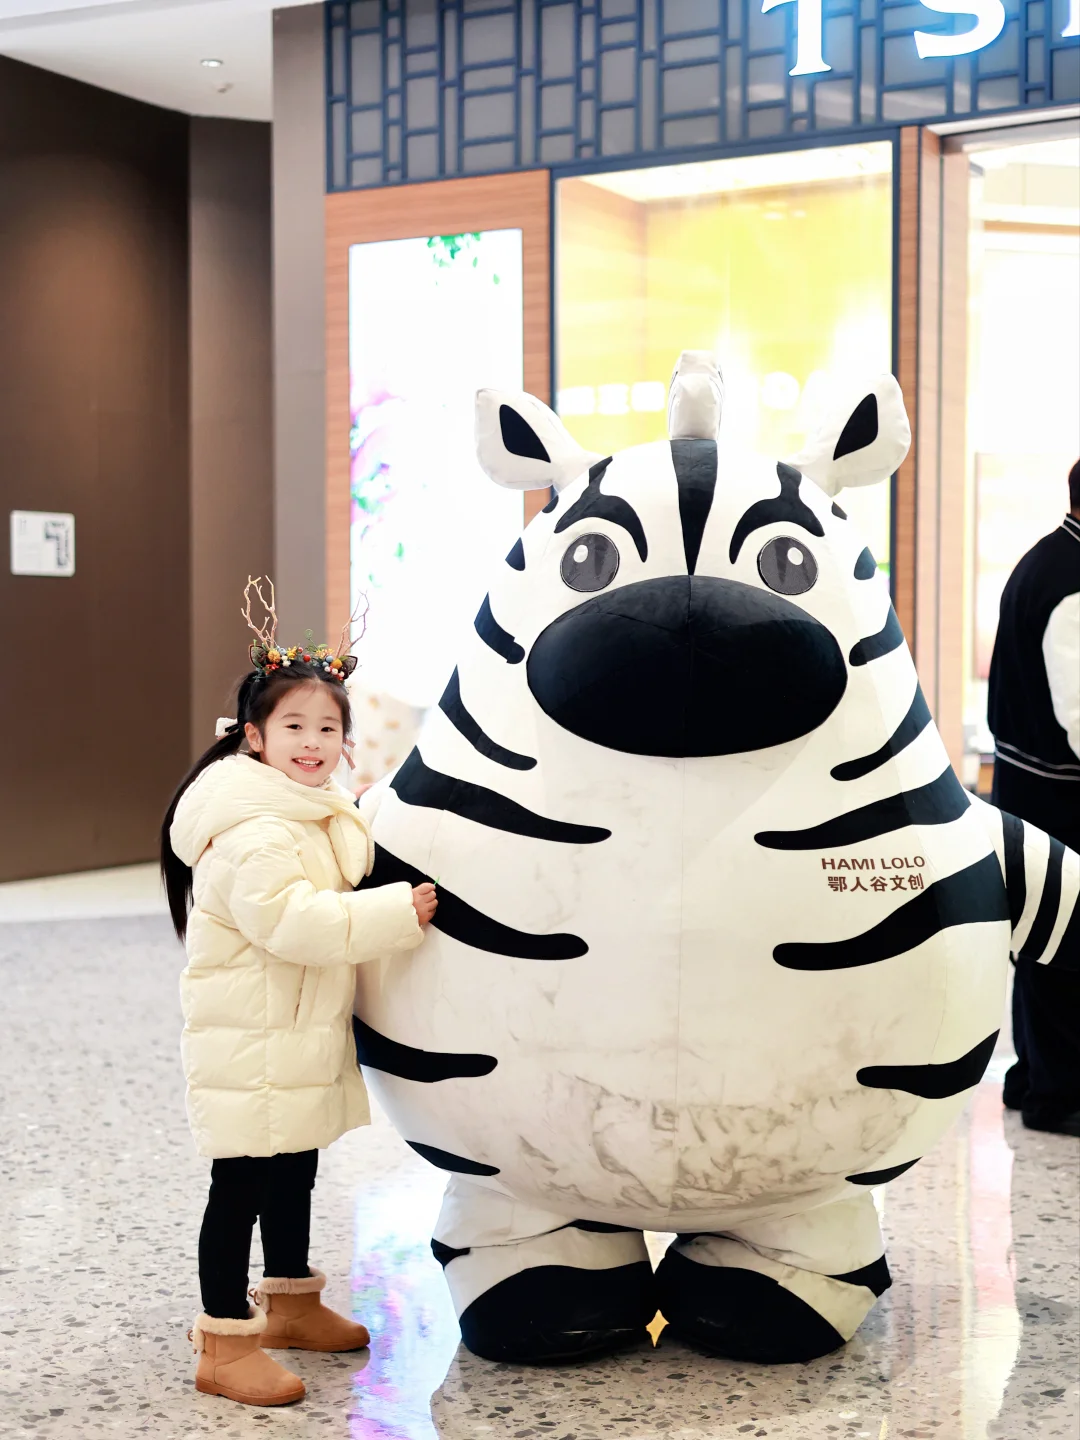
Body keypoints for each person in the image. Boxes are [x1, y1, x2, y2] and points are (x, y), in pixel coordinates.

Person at [160, 579, 438, 1408]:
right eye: (293, 726)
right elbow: (294, 923)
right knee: (240, 1187)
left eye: (327, 728)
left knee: (295, 1170)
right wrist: (397, 913)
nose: (312, 742)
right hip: (251, 1039)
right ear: (253, 737)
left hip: (292, 1031)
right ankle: (222, 1343)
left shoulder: (310, 811)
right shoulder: (254, 828)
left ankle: (289, 1302)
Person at [988, 461, 1080, 1137]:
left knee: (1042, 938)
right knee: (1066, 945)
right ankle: (1058, 1096)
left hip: (1029, 785)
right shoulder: (1070, 582)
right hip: (1058, 797)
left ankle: (1031, 1078)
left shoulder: (1047, 559)